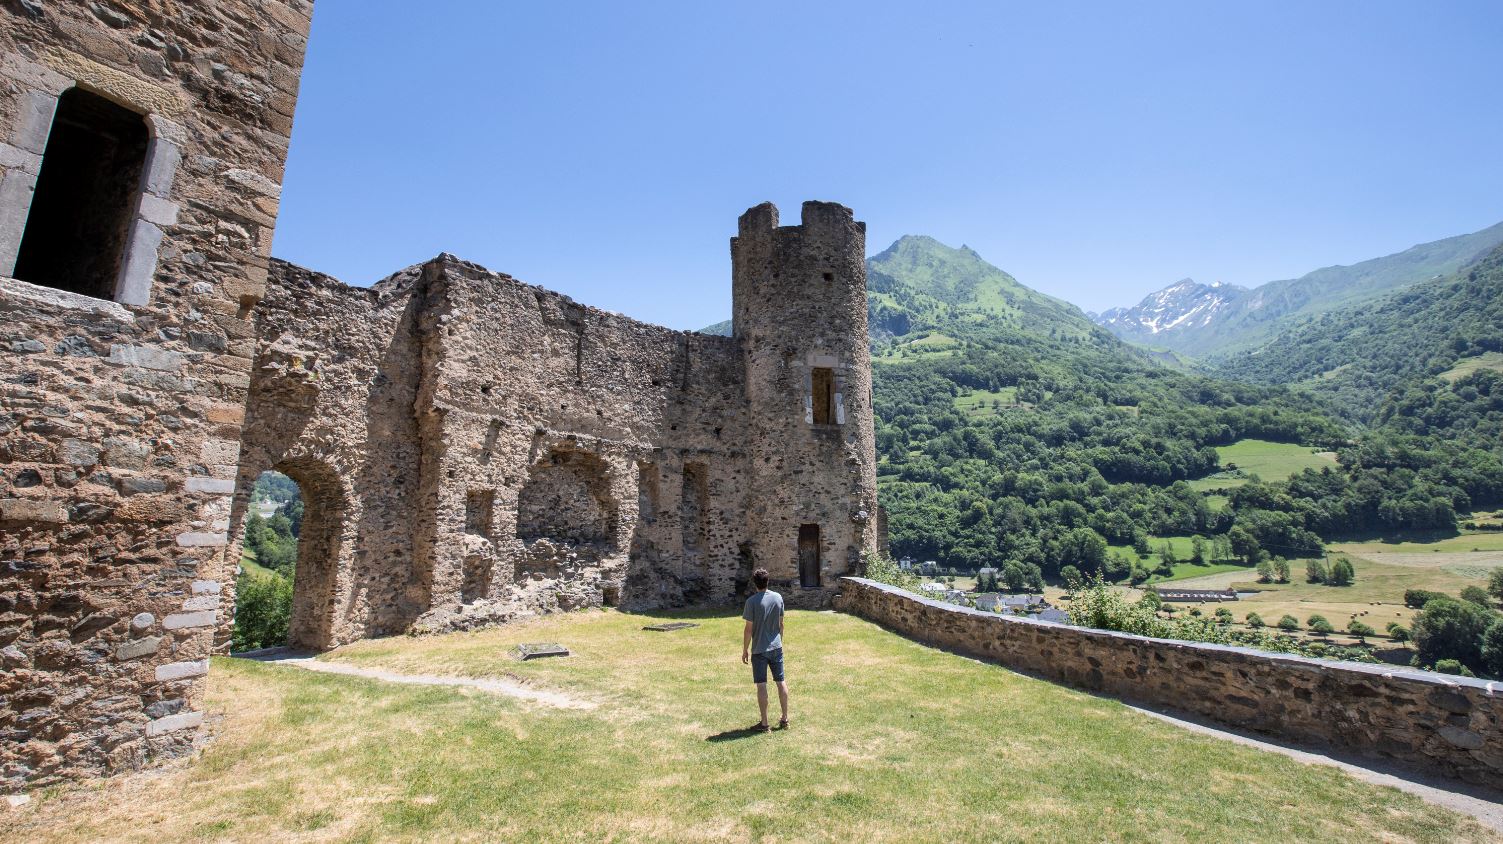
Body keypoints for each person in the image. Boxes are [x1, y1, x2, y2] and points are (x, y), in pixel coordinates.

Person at [741, 567, 788, 731]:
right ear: (768, 581)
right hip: (776, 647)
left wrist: (745, 650)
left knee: (762, 685)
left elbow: (748, 629)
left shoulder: (751, 602)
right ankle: (785, 719)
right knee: (781, 682)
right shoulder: (778, 598)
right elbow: (781, 624)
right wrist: (779, 642)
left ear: (755, 583)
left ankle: (765, 723)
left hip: (759, 650)